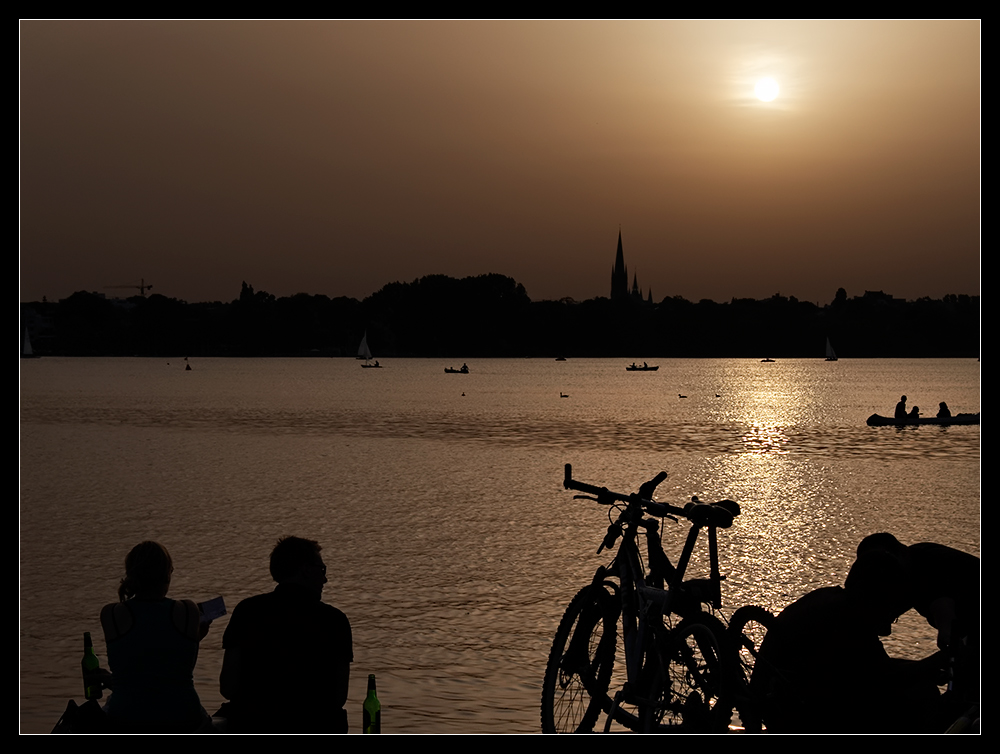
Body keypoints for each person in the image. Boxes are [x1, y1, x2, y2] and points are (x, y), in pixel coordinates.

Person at [752, 550, 944, 733]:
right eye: (890, 607)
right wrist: (927, 667)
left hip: (787, 703)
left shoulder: (832, 601)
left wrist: (922, 668)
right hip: (800, 717)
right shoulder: (848, 618)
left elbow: (874, 667)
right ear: (873, 595)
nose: (890, 620)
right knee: (923, 694)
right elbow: (881, 675)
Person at [220, 536, 353, 733]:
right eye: (322, 570)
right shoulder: (335, 621)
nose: (325, 579)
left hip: (253, 724)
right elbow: (338, 697)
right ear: (306, 570)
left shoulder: (247, 611)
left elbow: (228, 688)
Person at [855, 533, 980, 709]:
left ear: (899, 554)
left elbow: (940, 601)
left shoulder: (923, 566)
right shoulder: (908, 565)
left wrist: (946, 634)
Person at [98, 541, 211, 733]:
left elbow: (139, 671)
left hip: (126, 717)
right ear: (167, 573)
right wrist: (194, 638)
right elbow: (170, 670)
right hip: (183, 716)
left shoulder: (111, 614)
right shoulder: (187, 610)